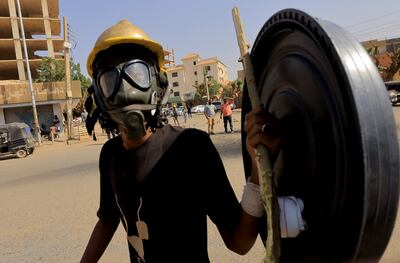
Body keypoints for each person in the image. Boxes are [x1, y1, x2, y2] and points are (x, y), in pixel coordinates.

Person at [80, 20, 292, 263]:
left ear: (157, 84)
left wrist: (257, 173)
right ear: (98, 94)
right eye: (110, 80)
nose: (125, 89)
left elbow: (239, 241)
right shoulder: (110, 155)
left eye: (136, 75)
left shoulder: (191, 147)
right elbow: (108, 219)